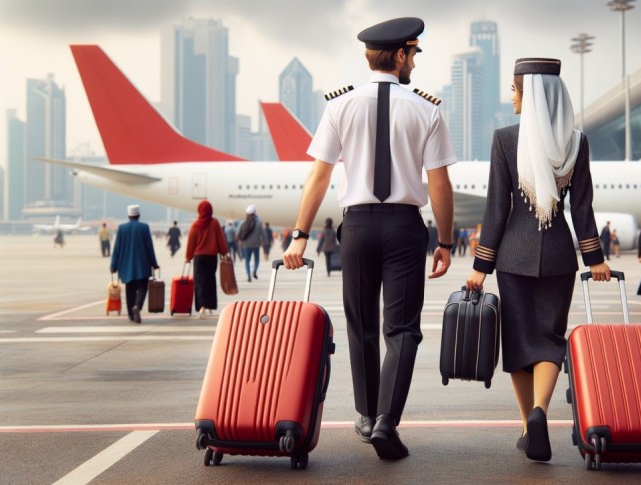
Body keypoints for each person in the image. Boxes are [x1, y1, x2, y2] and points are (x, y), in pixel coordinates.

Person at [282, 17, 455, 461]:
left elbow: (318, 177)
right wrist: (447, 242)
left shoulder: (339, 107)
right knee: (403, 330)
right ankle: (386, 421)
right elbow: (439, 185)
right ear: (400, 55)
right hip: (403, 227)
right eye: (413, 53)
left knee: (361, 326)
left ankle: (364, 414)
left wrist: (300, 236)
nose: (414, 61)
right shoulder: (427, 109)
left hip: (356, 227)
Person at [465, 58, 610, 463]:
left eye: (514, 90)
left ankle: (528, 425)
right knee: (548, 339)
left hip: (512, 256)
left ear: (528, 96)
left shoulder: (505, 139)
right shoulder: (576, 143)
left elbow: (496, 209)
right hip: (561, 256)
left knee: (518, 342)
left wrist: (481, 265)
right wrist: (594, 259)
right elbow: (582, 209)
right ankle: (541, 413)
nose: (511, 97)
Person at [110, 204, 159, 324]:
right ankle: (137, 306)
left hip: (126, 266)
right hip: (142, 265)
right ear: (138, 215)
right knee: (142, 288)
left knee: (129, 290)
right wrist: (154, 263)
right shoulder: (144, 227)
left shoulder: (122, 228)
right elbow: (149, 247)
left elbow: (117, 249)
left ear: (128, 215)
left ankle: (131, 315)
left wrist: (113, 265)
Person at [185, 201, 229, 319]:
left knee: (200, 281)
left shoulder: (195, 225)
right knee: (210, 281)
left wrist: (188, 257)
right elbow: (220, 239)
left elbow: (191, 242)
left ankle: (202, 306)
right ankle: (209, 305)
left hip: (199, 258)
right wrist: (224, 252)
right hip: (211, 257)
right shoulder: (214, 223)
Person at [238, 205, 266, 282]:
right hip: (256, 245)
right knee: (256, 260)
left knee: (247, 261)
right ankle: (255, 271)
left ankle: (249, 275)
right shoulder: (258, 223)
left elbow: (238, 234)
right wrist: (265, 242)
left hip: (246, 245)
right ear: (254, 213)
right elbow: (263, 234)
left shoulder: (242, 223)